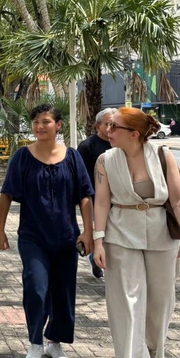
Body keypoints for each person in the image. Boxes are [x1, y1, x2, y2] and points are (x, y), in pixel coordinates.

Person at [92, 107, 180, 358]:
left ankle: (149, 347)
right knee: (126, 299)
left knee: (161, 299)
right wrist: (98, 240)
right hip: (121, 233)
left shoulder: (163, 155)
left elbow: (177, 199)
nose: (107, 131)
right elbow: (101, 203)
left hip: (162, 234)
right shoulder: (105, 160)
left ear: (134, 134)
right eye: (107, 127)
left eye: (114, 128)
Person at [0, 104, 93, 358]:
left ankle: (55, 342)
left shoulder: (72, 158)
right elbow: (6, 194)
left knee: (63, 292)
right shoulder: (22, 157)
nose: (40, 127)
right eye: (36, 122)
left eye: (46, 121)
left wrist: (88, 231)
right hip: (32, 236)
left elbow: (85, 195)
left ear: (58, 125)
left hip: (66, 237)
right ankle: (35, 342)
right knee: (36, 288)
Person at [76, 108, 117, 279]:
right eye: (107, 124)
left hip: (119, 198)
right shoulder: (87, 146)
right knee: (100, 228)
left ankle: (101, 257)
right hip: (95, 199)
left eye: (114, 125)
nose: (110, 129)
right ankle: (95, 256)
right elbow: (79, 176)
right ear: (97, 126)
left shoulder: (119, 143)